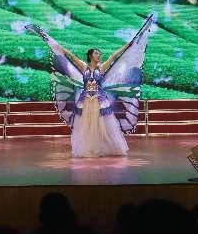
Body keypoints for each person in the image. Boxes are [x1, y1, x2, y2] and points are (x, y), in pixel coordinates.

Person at [27, 13, 155, 158]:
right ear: (90, 56)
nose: (99, 55)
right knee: (88, 127)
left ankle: (105, 147)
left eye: (99, 54)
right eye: (96, 54)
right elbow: (70, 56)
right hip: (86, 101)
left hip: (100, 101)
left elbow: (114, 56)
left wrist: (128, 45)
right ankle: (90, 148)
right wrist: (58, 47)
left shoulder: (102, 67)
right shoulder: (84, 67)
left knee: (104, 126)